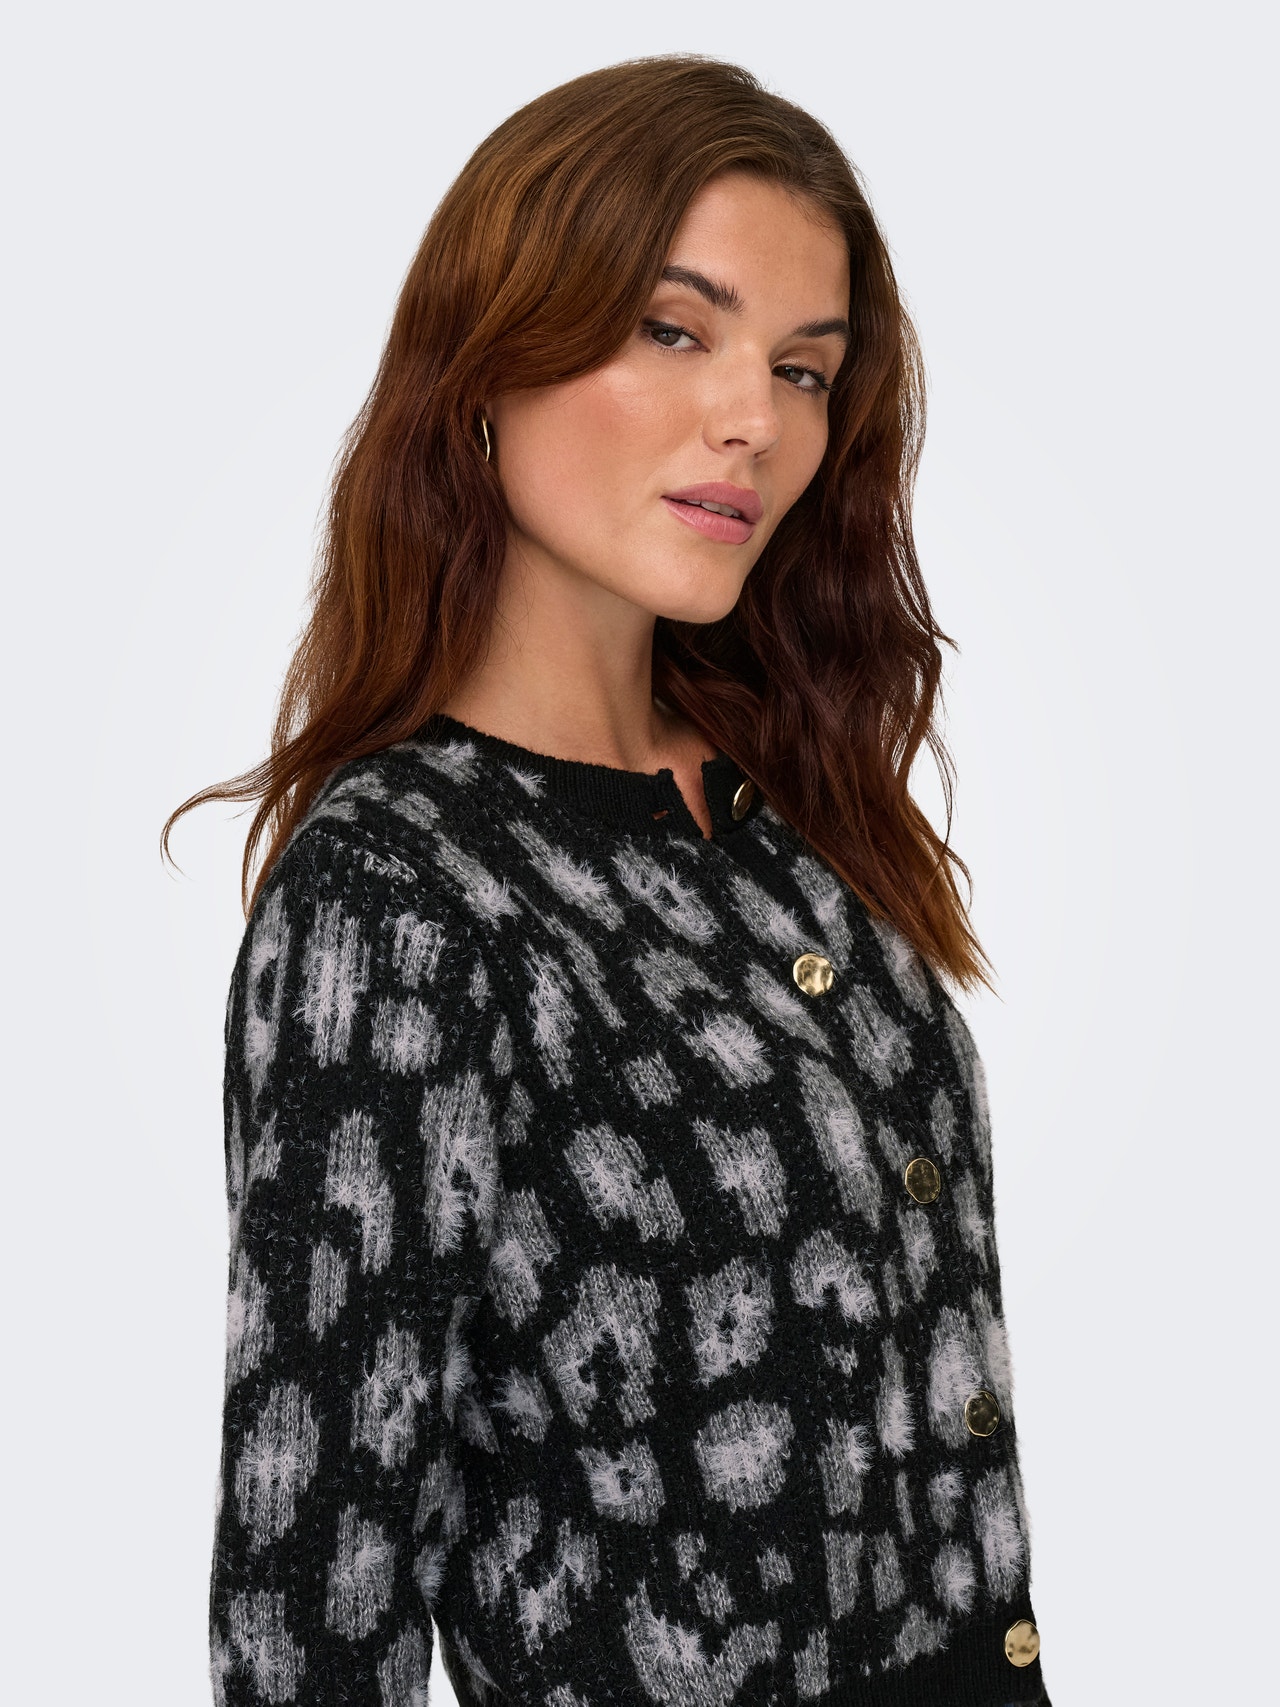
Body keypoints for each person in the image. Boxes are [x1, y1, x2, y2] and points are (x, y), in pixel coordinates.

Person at [165, 55, 1051, 1707]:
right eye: (674, 329)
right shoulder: (400, 892)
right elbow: (311, 1601)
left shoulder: (795, 809)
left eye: (803, 368)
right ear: (486, 362)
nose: (755, 420)